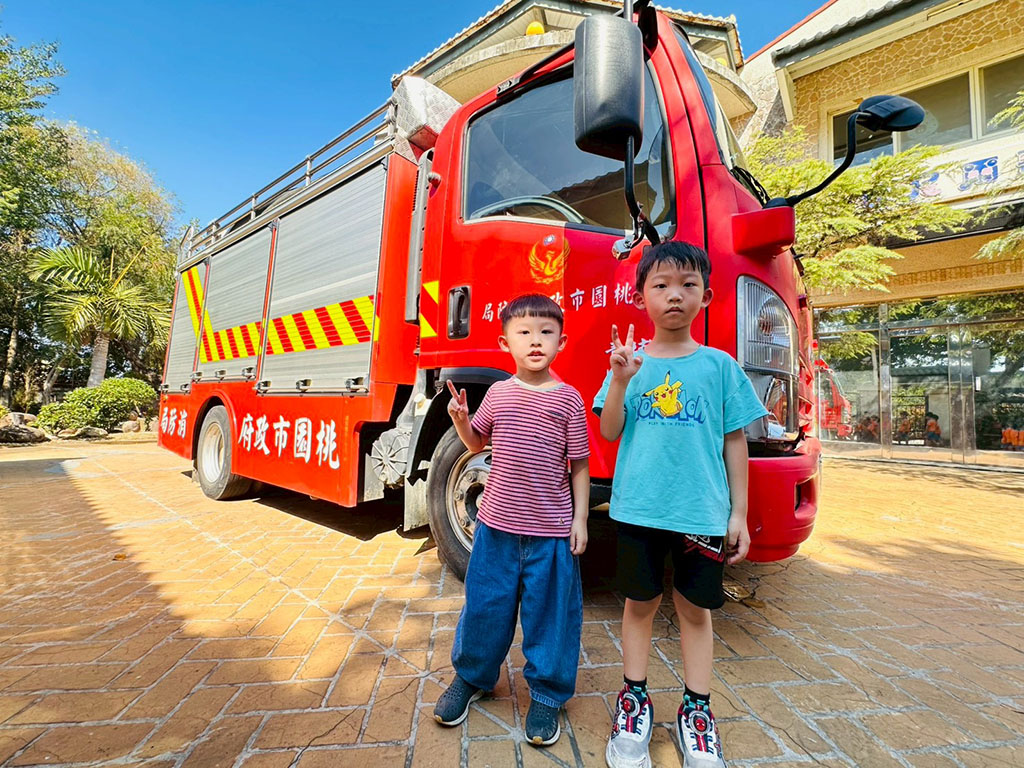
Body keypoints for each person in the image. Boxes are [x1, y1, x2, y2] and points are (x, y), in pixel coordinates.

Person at [593, 241, 768, 768]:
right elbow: (609, 431)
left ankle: (696, 709)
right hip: (638, 511)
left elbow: (735, 442)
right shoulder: (630, 364)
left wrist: (738, 514)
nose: (675, 295)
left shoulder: (720, 367)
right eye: (661, 285)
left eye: (688, 285)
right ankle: (633, 700)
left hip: (701, 514)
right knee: (639, 605)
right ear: (640, 297)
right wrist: (621, 380)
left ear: (706, 297)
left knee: (695, 610)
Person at [433, 293, 590, 747]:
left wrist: (580, 520)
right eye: (524, 332)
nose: (535, 341)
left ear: (561, 341)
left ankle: (546, 694)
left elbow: (579, 465)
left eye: (546, 332)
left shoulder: (569, 400)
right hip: (496, 530)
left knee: (551, 617)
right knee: (485, 607)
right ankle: (473, 677)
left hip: (550, 534)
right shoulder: (499, 394)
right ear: (505, 343)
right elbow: (476, 443)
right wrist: (461, 420)